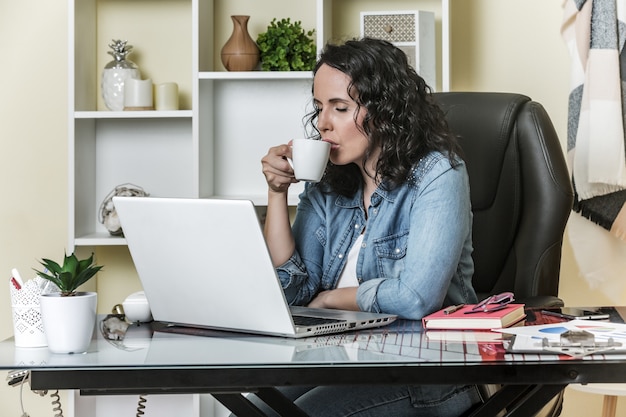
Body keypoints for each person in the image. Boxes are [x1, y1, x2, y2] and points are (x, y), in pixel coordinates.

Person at [254, 37, 480, 416]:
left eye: (340, 108)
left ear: (385, 110)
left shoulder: (439, 174)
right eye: (319, 107)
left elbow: (416, 298)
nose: (323, 123)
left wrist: (330, 300)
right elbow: (295, 291)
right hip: (339, 356)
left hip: (427, 369)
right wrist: (277, 194)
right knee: (252, 409)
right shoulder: (328, 180)